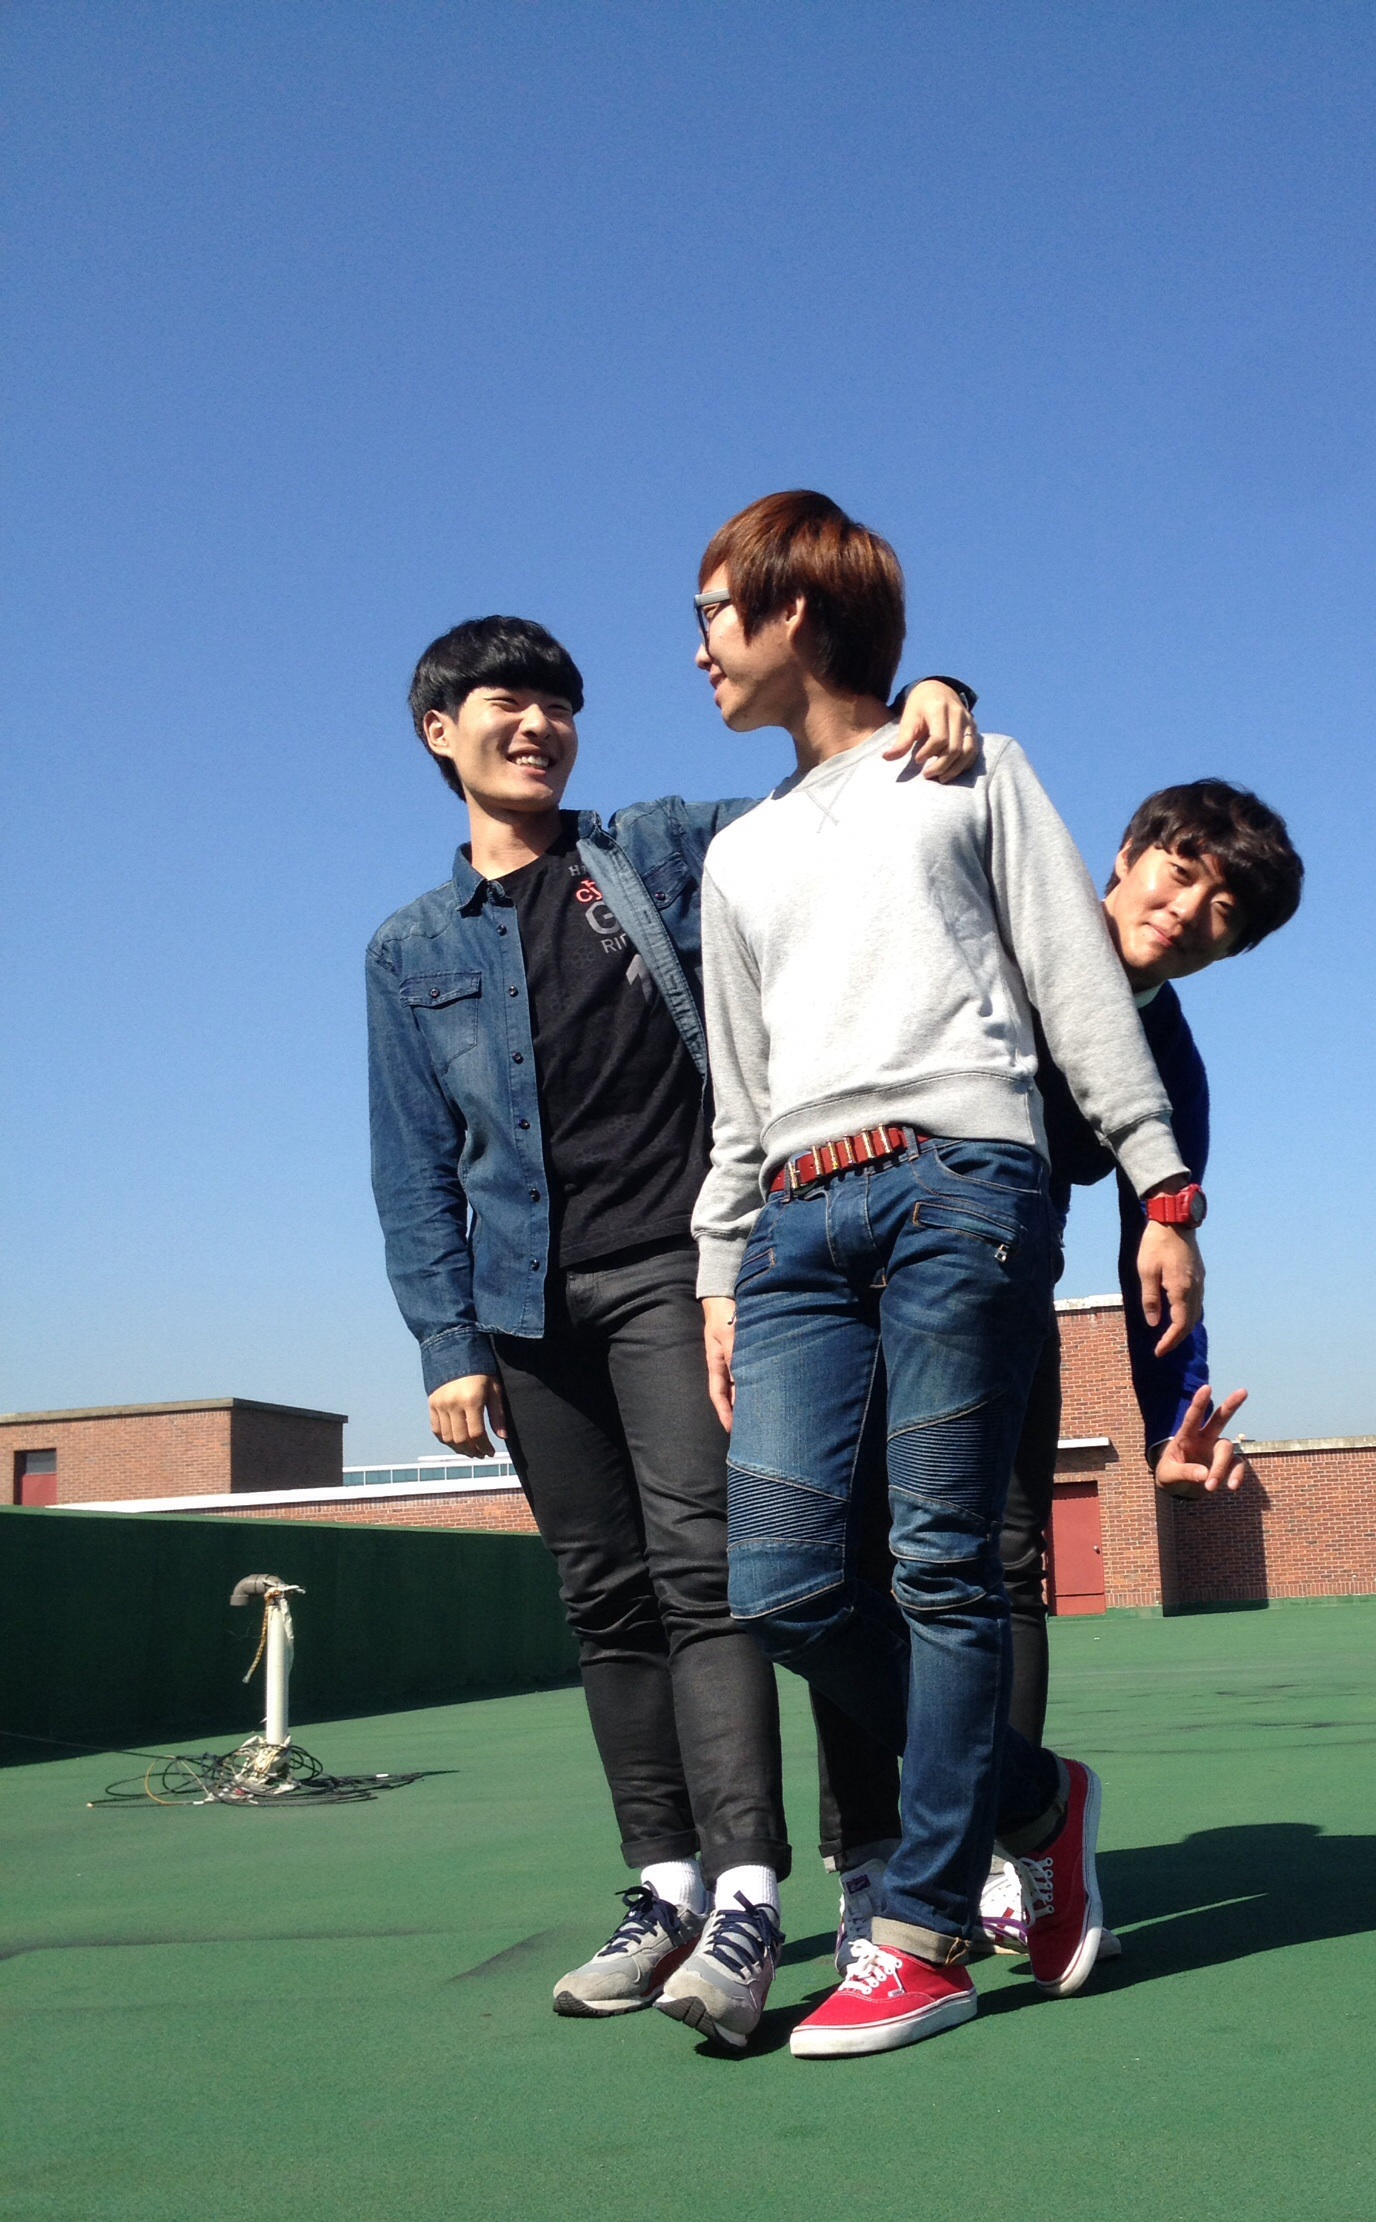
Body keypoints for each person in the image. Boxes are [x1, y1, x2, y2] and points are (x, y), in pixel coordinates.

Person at [365, 612, 978, 2047]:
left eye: (559, 704)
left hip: (679, 1268)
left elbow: (826, 787)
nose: (539, 724)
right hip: (526, 1306)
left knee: (712, 1577)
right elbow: (412, 1165)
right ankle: (665, 1887)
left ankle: (751, 1894)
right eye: (507, 701)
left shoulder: (651, 849)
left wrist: (931, 694)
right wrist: (446, 1344)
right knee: (605, 1599)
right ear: (440, 731)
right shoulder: (407, 950)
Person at [686, 490, 1206, 2059]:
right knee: (779, 1584)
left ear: (795, 609)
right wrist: (719, 1269)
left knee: (943, 1566)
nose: (700, 647)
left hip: (960, 1188)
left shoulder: (972, 771)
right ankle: (1036, 1799)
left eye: (717, 612)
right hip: (792, 1224)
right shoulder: (735, 854)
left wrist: (1162, 1181)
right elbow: (738, 1090)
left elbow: (1074, 980)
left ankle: (916, 1936)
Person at [813, 779, 1305, 1963]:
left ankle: (1010, 1845)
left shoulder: (1169, 1060)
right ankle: (869, 1848)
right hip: (849, 1267)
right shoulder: (989, 923)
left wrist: (1173, 1420)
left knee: (1003, 1560)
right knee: (837, 1568)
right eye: (1181, 870)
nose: (1190, 910)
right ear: (1127, 853)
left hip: (999, 1299)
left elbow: (1162, 1256)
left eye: (1226, 911)